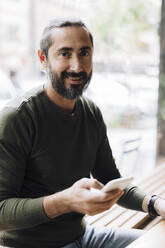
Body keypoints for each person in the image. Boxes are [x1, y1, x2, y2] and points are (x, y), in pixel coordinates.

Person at [0, 18, 165, 248]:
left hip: (84, 237)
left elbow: (110, 180)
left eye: (84, 53)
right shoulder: (18, 117)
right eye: (65, 54)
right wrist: (65, 201)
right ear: (43, 59)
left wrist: (155, 204)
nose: (77, 66)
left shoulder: (91, 113)